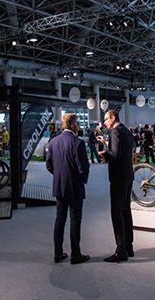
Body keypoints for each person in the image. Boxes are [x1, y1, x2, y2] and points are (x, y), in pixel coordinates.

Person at [46, 113, 90, 265]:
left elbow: (49, 165)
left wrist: (59, 176)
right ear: (72, 125)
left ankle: (58, 254)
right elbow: (83, 167)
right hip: (75, 187)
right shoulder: (78, 143)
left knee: (60, 219)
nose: (78, 126)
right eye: (77, 123)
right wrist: (82, 180)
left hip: (59, 186)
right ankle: (75, 254)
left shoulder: (53, 142)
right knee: (75, 220)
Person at [96, 109, 134, 263]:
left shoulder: (116, 132)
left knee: (117, 213)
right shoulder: (125, 131)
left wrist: (104, 154)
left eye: (106, 119)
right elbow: (123, 149)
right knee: (126, 211)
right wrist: (107, 142)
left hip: (119, 178)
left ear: (112, 118)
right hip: (128, 176)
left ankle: (120, 250)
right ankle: (128, 247)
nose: (104, 122)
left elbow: (115, 155)